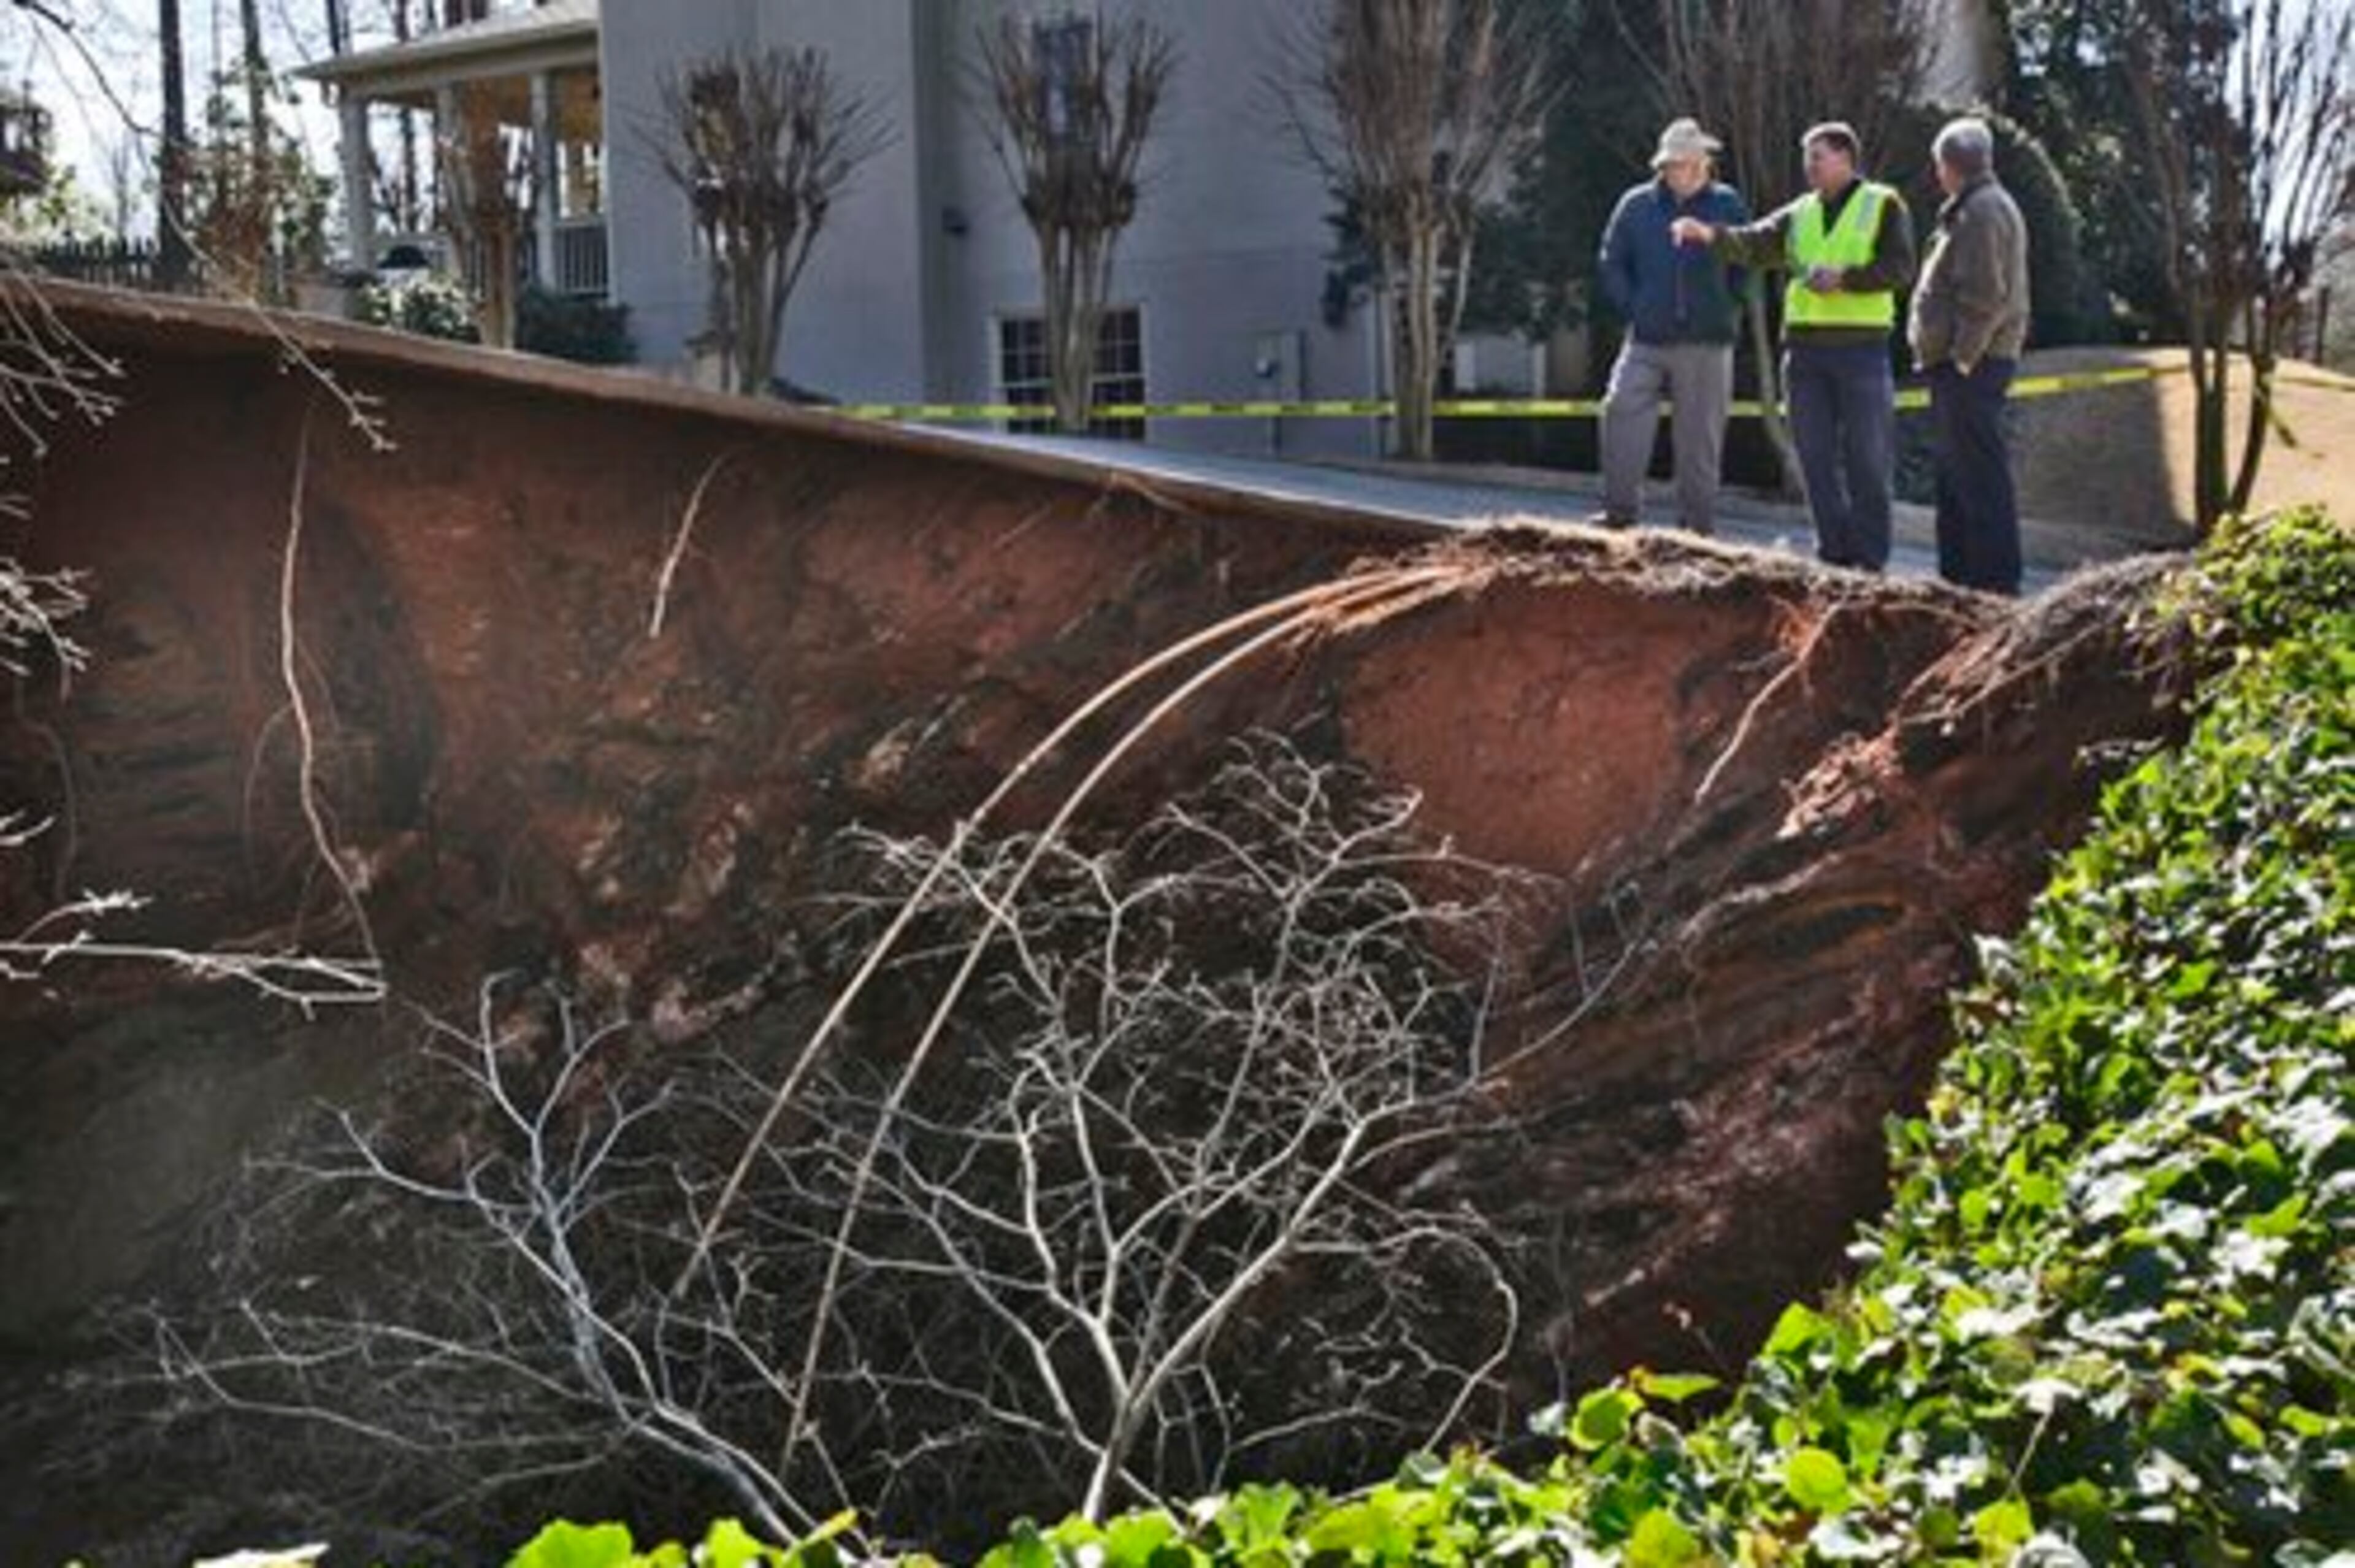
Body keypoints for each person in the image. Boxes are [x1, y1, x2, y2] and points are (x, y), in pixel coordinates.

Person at [1672, 121, 1916, 572]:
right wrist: (1708, 234)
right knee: (1814, 458)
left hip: (1862, 351)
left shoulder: (1883, 204)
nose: (1809, 167)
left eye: (1817, 157)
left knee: (1868, 459)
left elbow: (1901, 269)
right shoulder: (1800, 212)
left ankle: (1870, 558)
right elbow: (1756, 243)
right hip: (1804, 355)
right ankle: (1834, 551)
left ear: (1845, 157)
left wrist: (1846, 280)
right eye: (1808, 158)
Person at [1591, 118, 1752, 535]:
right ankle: (1618, 513)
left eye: (1697, 162)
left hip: (1707, 342)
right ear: (1664, 167)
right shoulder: (1635, 205)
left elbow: (1746, 261)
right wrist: (1634, 308)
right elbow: (1612, 261)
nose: (1691, 170)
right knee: (1620, 408)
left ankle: (1697, 529)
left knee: (1700, 441)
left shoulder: (1728, 203)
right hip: (1646, 337)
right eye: (1681, 164)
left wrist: (1727, 307)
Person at [1909, 117, 2030, 595]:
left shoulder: (1982, 210)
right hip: (1965, 364)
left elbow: (1986, 296)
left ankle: (1993, 582)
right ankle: (1958, 575)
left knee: (1978, 475)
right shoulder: (1975, 206)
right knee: (1956, 474)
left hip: (1974, 366)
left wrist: (1961, 358)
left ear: (1948, 164)